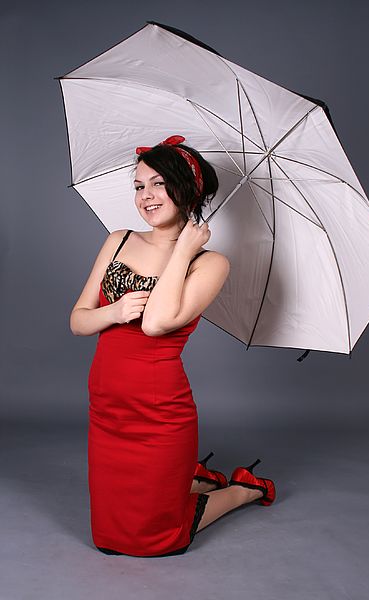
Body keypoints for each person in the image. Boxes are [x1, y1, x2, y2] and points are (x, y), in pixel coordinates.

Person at [70, 135, 276, 557]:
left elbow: (159, 324)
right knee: (110, 537)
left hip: (160, 410)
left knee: (160, 538)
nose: (146, 196)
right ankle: (198, 479)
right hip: (107, 403)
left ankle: (243, 490)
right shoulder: (119, 240)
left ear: (187, 190)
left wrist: (182, 249)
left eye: (158, 184)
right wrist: (114, 311)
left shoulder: (210, 263)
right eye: (139, 185)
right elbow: (78, 320)